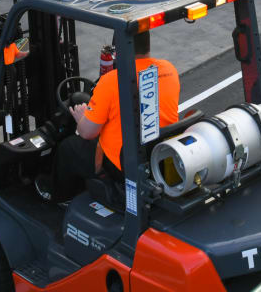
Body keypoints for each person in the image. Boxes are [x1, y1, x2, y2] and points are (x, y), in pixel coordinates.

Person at [36, 31, 180, 202]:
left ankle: (58, 195)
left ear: (118, 49)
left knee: (68, 148)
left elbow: (87, 133)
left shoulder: (112, 81)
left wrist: (81, 117)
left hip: (124, 164)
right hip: (160, 154)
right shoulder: (168, 69)